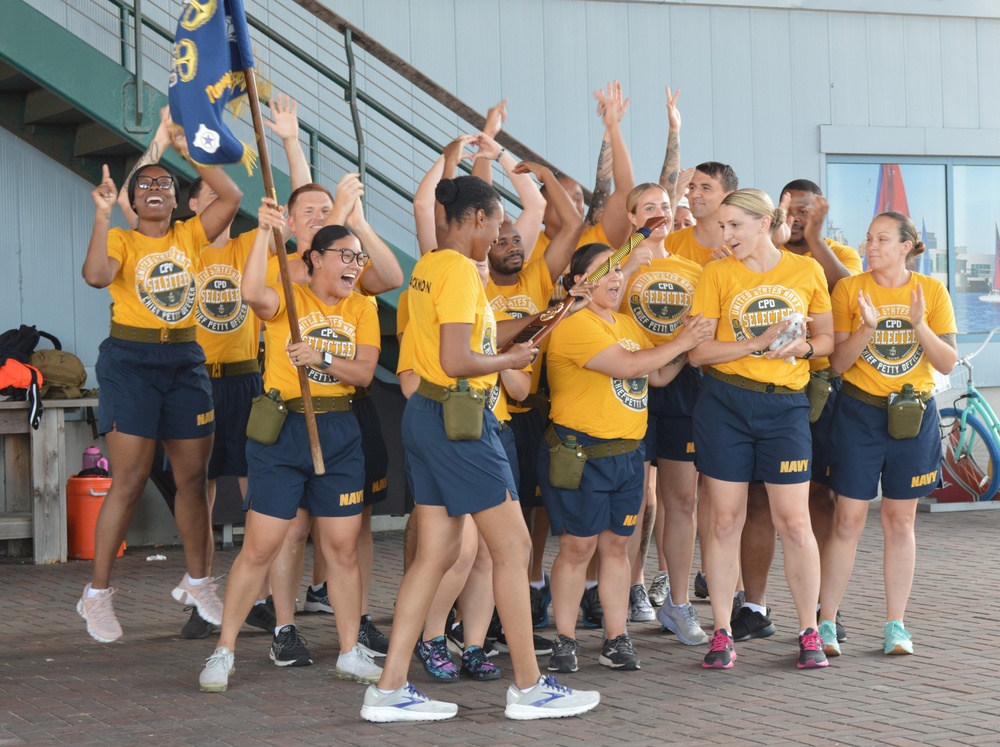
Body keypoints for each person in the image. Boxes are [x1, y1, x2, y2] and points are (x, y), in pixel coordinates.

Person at [360, 175, 599, 722]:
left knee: (436, 555)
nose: (499, 234)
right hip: (461, 419)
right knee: (513, 549)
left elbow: (482, 335)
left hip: (430, 418)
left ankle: (389, 689)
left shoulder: (430, 267)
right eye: (496, 224)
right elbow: (459, 360)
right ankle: (529, 685)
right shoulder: (465, 274)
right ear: (476, 219)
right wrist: (510, 365)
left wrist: (555, 311)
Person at [198, 207, 384, 692]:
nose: (355, 265)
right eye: (345, 255)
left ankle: (348, 651)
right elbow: (249, 292)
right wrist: (262, 233)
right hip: (282, 431)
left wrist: (321, 356)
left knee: (342, 548)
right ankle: (224, 650)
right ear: (315, 259)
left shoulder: (362, 308)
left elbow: (364, 373)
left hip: (339, 431)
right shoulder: (289, 300)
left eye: (359, 258)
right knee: (261, 545)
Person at [78, 134, 242, 643]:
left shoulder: (191, 236)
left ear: (176, 200)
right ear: (131, 200)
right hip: (131, 360)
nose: (154, 188)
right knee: (130, 477)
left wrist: (186, 151)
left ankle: (197, 582)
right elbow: (94, 276)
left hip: (185, 358)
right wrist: (104, 214)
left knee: (194, 480)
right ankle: (97, 594)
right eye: (144, 183)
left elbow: (231, 197)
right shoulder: (122, 239)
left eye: (163, 184)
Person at [539, 242, 713, 674]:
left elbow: (655, 374)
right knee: (578, 548)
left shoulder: (624, 324)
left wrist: (684, 346)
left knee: (617, 547)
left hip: (626, 454)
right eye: (604, 271)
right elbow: (631, 367)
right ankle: (565, 640)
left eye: (618, 270)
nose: (616, 277)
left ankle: (616, 639)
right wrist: (683, 341)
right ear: (578, 282)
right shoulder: (575, 326)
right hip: (582, 453)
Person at [687, 188, 833, 670]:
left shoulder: (806, 270)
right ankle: (723, 632)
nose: (726, 235)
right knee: (724, 520)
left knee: (794, 521)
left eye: (735, 226)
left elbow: (827, 338)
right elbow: (698, 354)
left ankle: (809, 631)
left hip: (786, 407)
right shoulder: (716, 273)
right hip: (725, 403)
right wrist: (759, 341)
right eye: (722, 227)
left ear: (765, 222)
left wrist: (801, 350)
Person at [817, 211, 957, 657]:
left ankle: (895, 625)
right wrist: (867, 327)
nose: (871, 246)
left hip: (912, 415)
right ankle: (826, 623)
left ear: (905, 245)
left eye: (881, 239)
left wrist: (918, 324)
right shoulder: (849, 289)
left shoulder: (931, 291)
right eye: (868, 239)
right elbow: (838, 364)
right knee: (848, 520)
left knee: (900, 521)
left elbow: (948, 362)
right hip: (859, 413)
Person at [734, 180, 862, 644]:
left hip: (823, 387)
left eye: (807, 209)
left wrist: (813, 239)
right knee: (757, 501)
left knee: (820, 497)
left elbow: (846, 287)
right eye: (791, 209)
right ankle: (754, 605)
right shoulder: (761, 248)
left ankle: (826, 611)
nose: (800, 216)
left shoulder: (838, 253)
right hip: (767, 387)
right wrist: (778, 240)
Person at [616, 183, 708, 645]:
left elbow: (701, 329)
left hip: (681, 389)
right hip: (626, 383)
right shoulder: (615, 264)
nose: (659, 214)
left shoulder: (692, 269)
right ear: (632, 217)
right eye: (649, 208)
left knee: (682, 501)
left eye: (666, 207)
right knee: (631, 501)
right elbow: (601, 309)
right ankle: (629, 593)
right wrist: (629, 260)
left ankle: (677, 600)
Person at [664, 162, 738, 267]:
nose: (694, 195)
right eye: (692, 187)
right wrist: (673, 198)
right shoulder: (670, 243)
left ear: (729, 196)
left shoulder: (745, 245)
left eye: (706, 188)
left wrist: (731, 275)